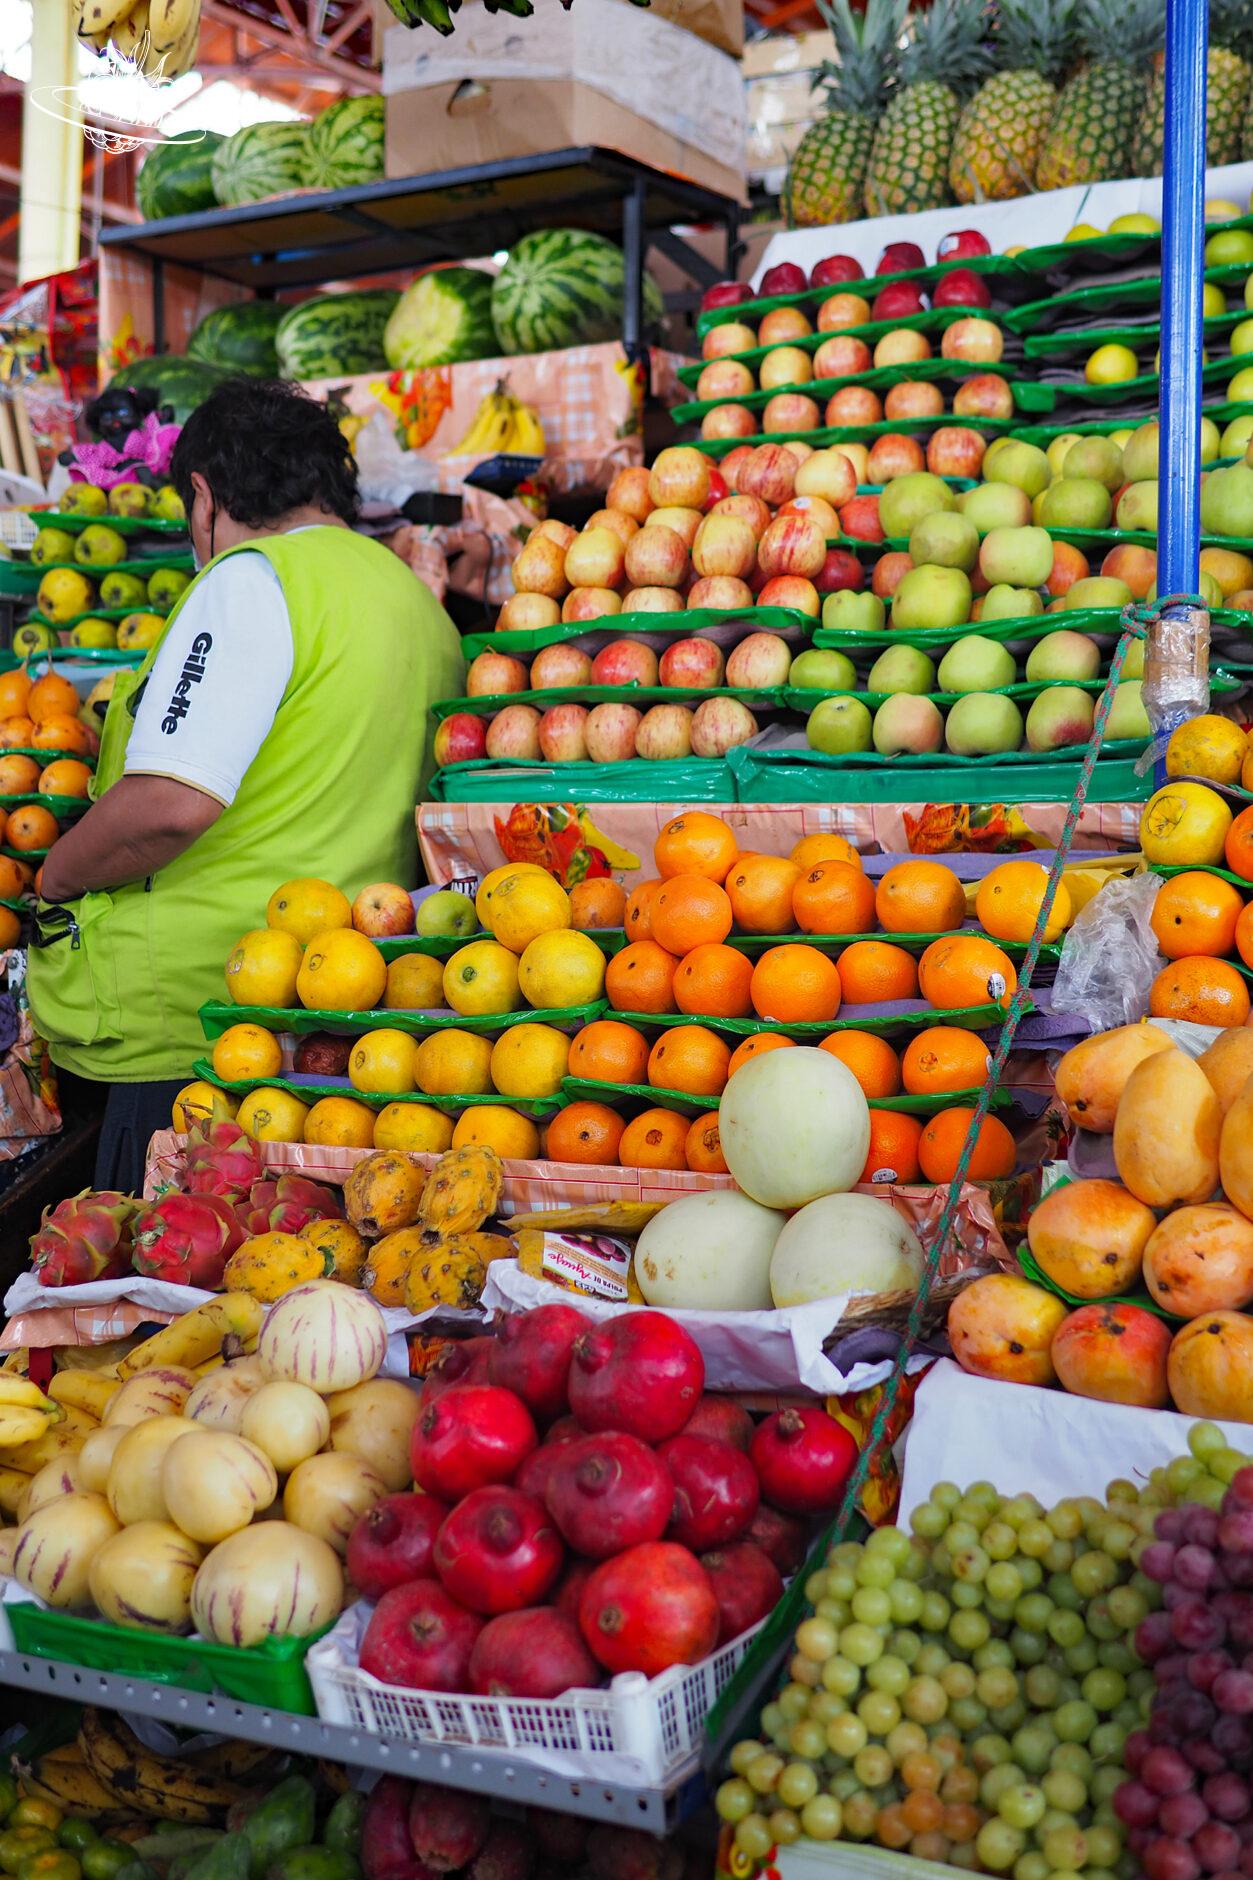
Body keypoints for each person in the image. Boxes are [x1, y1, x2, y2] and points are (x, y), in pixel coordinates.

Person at [29, 377, 465, 1193]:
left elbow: (169, 804)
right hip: (339, 1022)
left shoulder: (251, 581)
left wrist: (55, 877)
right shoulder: (415, 601)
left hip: (200, 1034)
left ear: (203, 496)